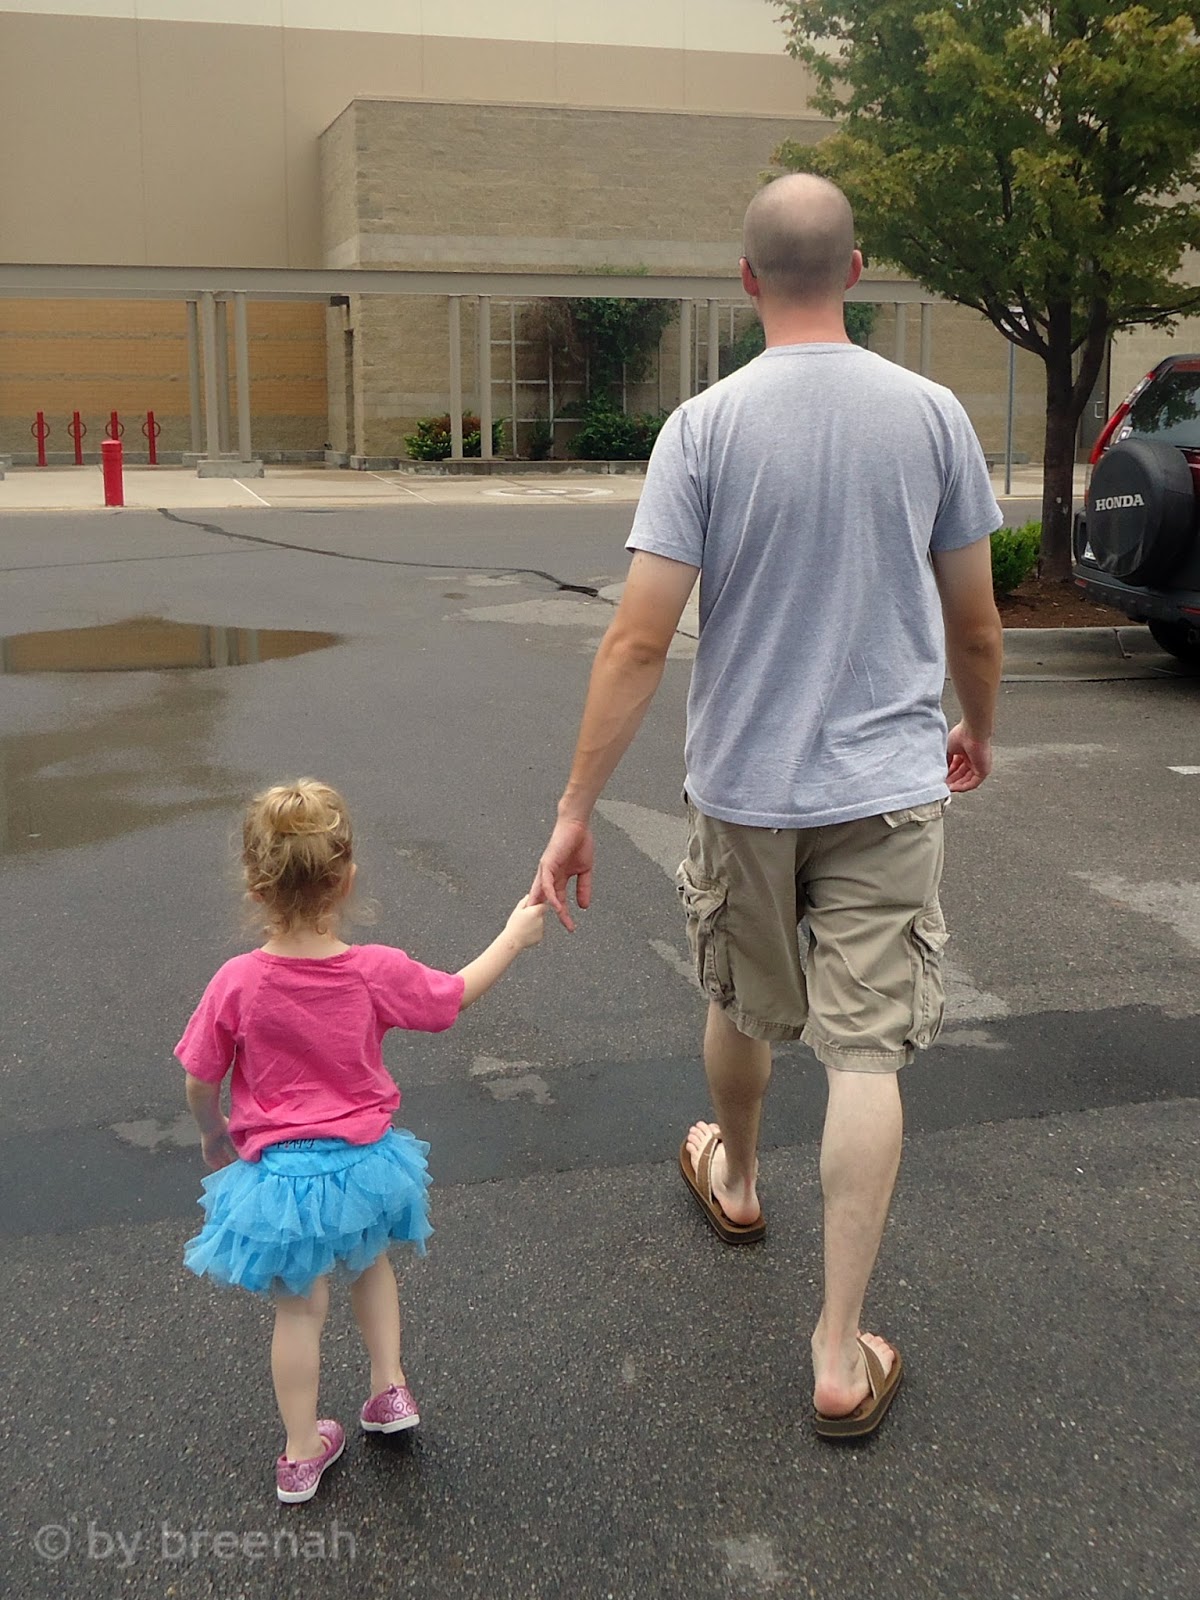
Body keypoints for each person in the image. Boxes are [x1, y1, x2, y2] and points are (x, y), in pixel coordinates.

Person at [531, 174, 1004, 1440]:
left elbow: (638, 640)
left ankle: (737, 1177)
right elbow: (975, 624)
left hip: (745, 786)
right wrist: (977, 726)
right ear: (857, 270)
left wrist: (577, 807)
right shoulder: (934, 415)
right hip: (887, 788)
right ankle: (839, 1352)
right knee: (866, 1052)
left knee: (740, 997)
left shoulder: (703, 427)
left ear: (746, 280)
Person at [178, 778, 545, 1502]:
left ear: (255, 886)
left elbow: (199, 1078)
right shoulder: (373, 972)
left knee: (299, 1307)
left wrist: (214, 1132)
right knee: (372, 1265)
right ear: (346, 878)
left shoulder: (237, 982)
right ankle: (389, 1387)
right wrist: (513, 934)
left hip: (283, 1178)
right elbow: (452, 996)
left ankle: (300, 1452)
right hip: (364, 1165)